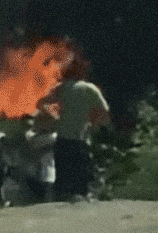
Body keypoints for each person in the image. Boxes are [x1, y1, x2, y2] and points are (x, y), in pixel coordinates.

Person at [41, 51, 110, 201]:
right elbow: (104, 112)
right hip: (80, 140)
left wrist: (55, 116)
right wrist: (95, 125)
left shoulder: (62, 88)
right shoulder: (90, 89)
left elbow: (42, 102)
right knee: (81, 180)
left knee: (63, 180)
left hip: (62, 139)